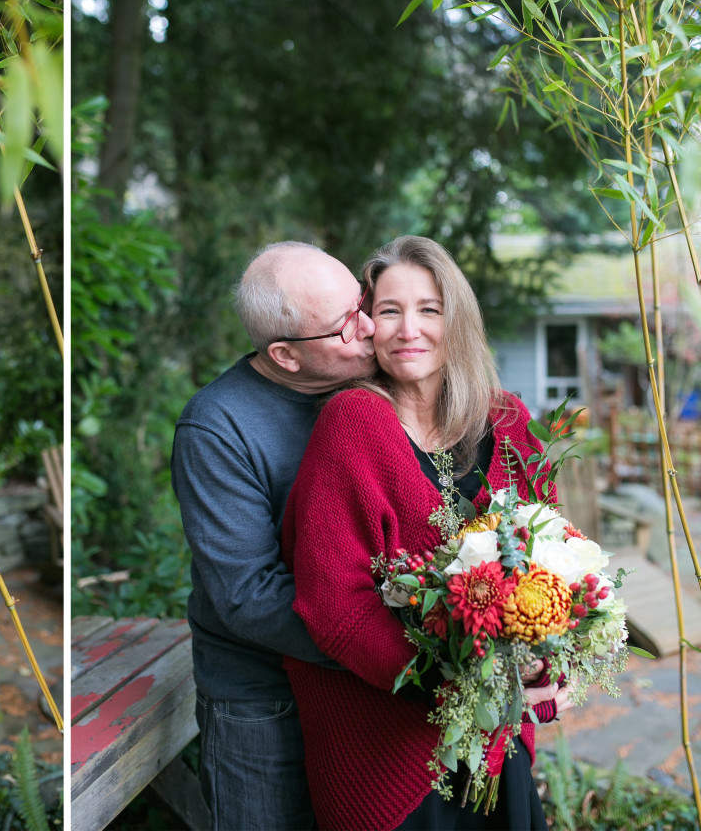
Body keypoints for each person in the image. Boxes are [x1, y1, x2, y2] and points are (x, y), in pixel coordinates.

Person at [280, 235, 570, 831]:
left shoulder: (508, 419)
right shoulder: (352, 424)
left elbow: (558, 562)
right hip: (389, 747)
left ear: (455, 318)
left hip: (494, 743)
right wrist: (458, 685)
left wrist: (546, 668)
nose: (408, 329)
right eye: (390, 311)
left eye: (429, 309)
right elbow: (333, 604)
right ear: (367, 324)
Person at [170, 241, 377, 829]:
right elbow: (247, 594)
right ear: (285, 355)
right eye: (343, 326)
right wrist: (387, 644)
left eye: (361, 305)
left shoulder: (370, 385)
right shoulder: (217, 427)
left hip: (359, 685)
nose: (367, 328)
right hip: (261, 701)